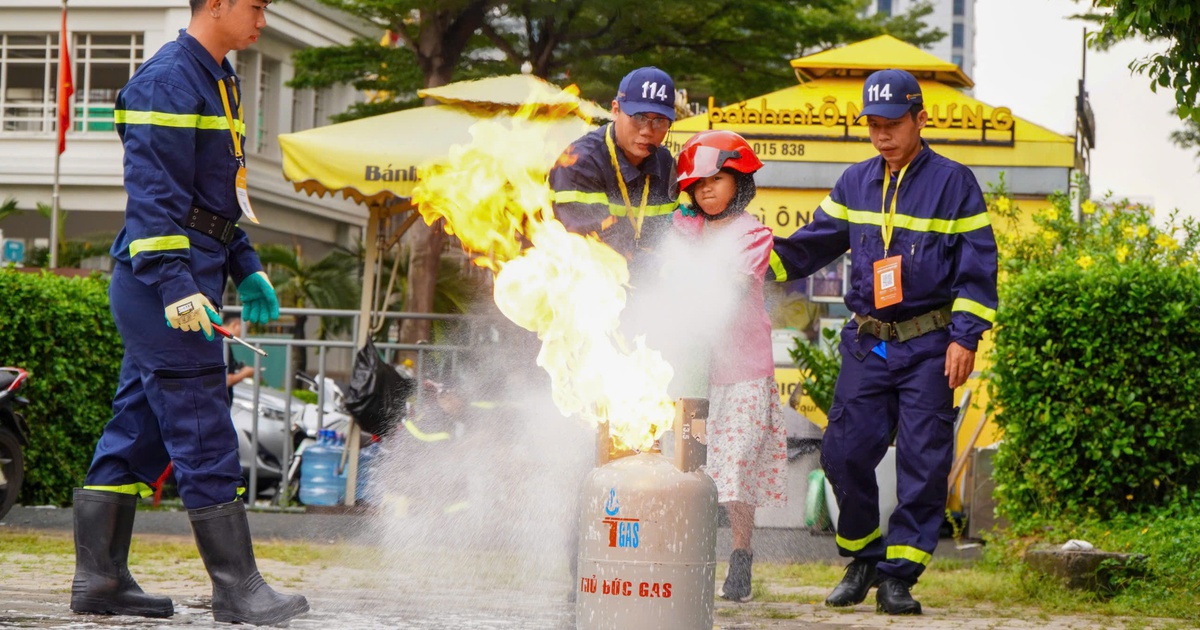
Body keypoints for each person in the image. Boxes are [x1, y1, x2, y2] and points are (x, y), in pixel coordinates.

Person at [70, 0, 308, 625]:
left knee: (139, 428)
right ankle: (238, 588)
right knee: (202, 417)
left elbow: (218, 196)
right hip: (162, 284)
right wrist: (177, 287)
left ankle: (99, 582)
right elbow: (151, 197)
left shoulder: (217, 77)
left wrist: (246, 264)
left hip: (188, 272)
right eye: (256, 7)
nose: (263, 20)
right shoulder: (170, 79)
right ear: (220, 4)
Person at [767, 69, 998, 615]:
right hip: (868, 344)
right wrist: (755, 259)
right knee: (843, 452)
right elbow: (808, 248)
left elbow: (978, 269)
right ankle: (863, 558)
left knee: (923, 461)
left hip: (930, 345)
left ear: (920, 118)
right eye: (872, 125)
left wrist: (965, 338)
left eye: (892, 124)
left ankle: (899, 577)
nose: (881, 136)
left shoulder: (955, 183)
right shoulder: (854, 181)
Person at [671, 130, 788, 603]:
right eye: (697, 185)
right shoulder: (685, 230)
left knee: (734, 470)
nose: (706, 191)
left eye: (716, 180)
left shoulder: (754, 234)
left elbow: (731, 292)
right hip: (693, 373)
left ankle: (741, 557)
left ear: (739, 182)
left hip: (742, 373)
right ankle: (690, 558)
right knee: (688, 466)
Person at [549, 66, 679, 278]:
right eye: (638, 117)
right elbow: (595, 245)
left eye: (659, 120)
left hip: (645, 286)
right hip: (583, 285)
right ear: (616, 110)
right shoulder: (580, 163)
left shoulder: (665, 162)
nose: (647, 130)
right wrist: (662, 268)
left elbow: (672, 234)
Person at [223, 317, 256, 399]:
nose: (245, 334)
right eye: (245, 328)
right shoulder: (223, 345)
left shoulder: (218, 342)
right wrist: (245, 373)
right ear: (235, 325)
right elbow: (225, 380)